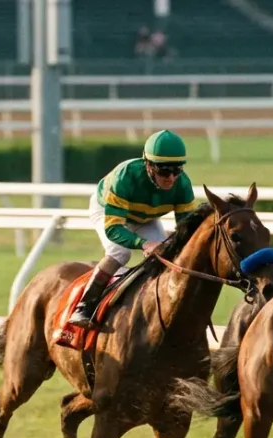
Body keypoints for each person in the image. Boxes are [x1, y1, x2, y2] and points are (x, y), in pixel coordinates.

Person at [67, 129, 198, 328]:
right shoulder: (125, 176)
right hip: (108, 212)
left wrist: (173, 240)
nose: (171, 178)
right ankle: (84, 305)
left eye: (176, 170)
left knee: (166, 255)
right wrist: (143, 243)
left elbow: (187, 230)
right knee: (120, 253)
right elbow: (113, 229)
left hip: (146, 217)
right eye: (164, 170)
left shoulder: (183, 185)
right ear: (148, 165)